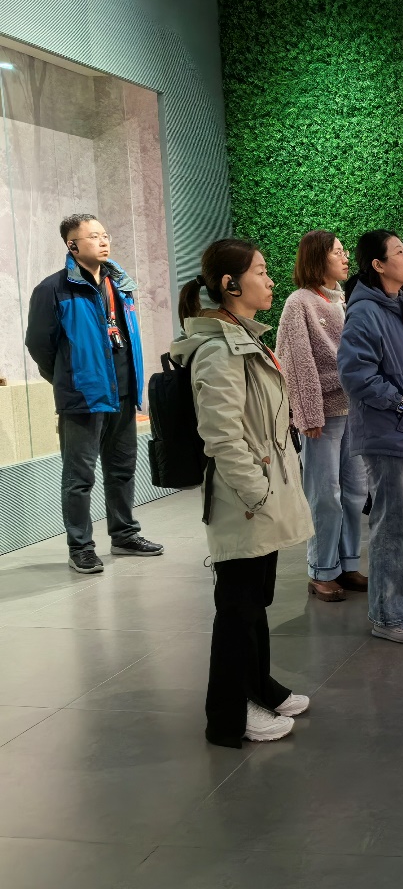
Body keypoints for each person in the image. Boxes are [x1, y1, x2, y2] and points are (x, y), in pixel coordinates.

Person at [171, 238, 313, 746]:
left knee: (254, 600)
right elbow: (222, 437)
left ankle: (259, 687)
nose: (270, 280)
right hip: (243, 502)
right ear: (231, 284)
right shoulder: (218, 350)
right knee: (237, 606)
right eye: (260, 271)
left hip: (260, 496)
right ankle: (229, 715)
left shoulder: (244, 339)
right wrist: (258, 494)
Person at [25, 214, 164, 574]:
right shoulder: (52, 289)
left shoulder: (121, 283)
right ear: (72, 245)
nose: (104, 241)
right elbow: (39, 345)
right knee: (79, 478)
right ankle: (81, 547)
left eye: (105, 235)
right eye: (93, 237)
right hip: (82, 394)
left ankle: (125, 535)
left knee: (122, 469)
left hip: (123, 390)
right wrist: (67, 377)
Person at [337, 231, 403, 643]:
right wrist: (399, 403)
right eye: (400, 252)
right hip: (388, 433)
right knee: (392, 522)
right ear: (378, 265)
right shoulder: (365, 311)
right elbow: (355, 372)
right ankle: (388, 616)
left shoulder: (402, 305)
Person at [276, 230, 367, 603]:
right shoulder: (299, 302)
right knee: (324, 495)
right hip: (323, 416)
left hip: (354, 411)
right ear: (317, 258)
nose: (345, 258)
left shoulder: (344, 299)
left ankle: (348, 563)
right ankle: (322, 570)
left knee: (355, 492)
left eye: (345, 252)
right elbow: (296, 362)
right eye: (337, 252)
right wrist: (307, 413)